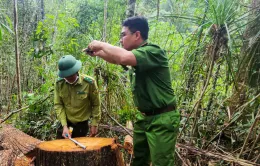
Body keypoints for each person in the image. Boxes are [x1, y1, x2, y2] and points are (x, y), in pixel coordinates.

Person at [83, 16, 180, 166]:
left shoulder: (153, 51)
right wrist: (98, 53)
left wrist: (100, 44)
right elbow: (117, 59)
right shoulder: (137, 56)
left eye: (123, 35)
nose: (121, 40)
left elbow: (123, 57)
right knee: (139, 160)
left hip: (162, 118)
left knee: (162, 163)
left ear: (137, 35)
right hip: (144, 118)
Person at [54, 55, 101, 139]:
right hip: (65, 122)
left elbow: (96, 104)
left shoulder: (89, 83)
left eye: (70, 75)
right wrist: (64, 126)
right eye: (66, 76)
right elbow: (58, 105)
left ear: (76, 71)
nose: (68, 78)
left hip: (81, 125)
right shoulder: (59, 84)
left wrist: (94, 124)